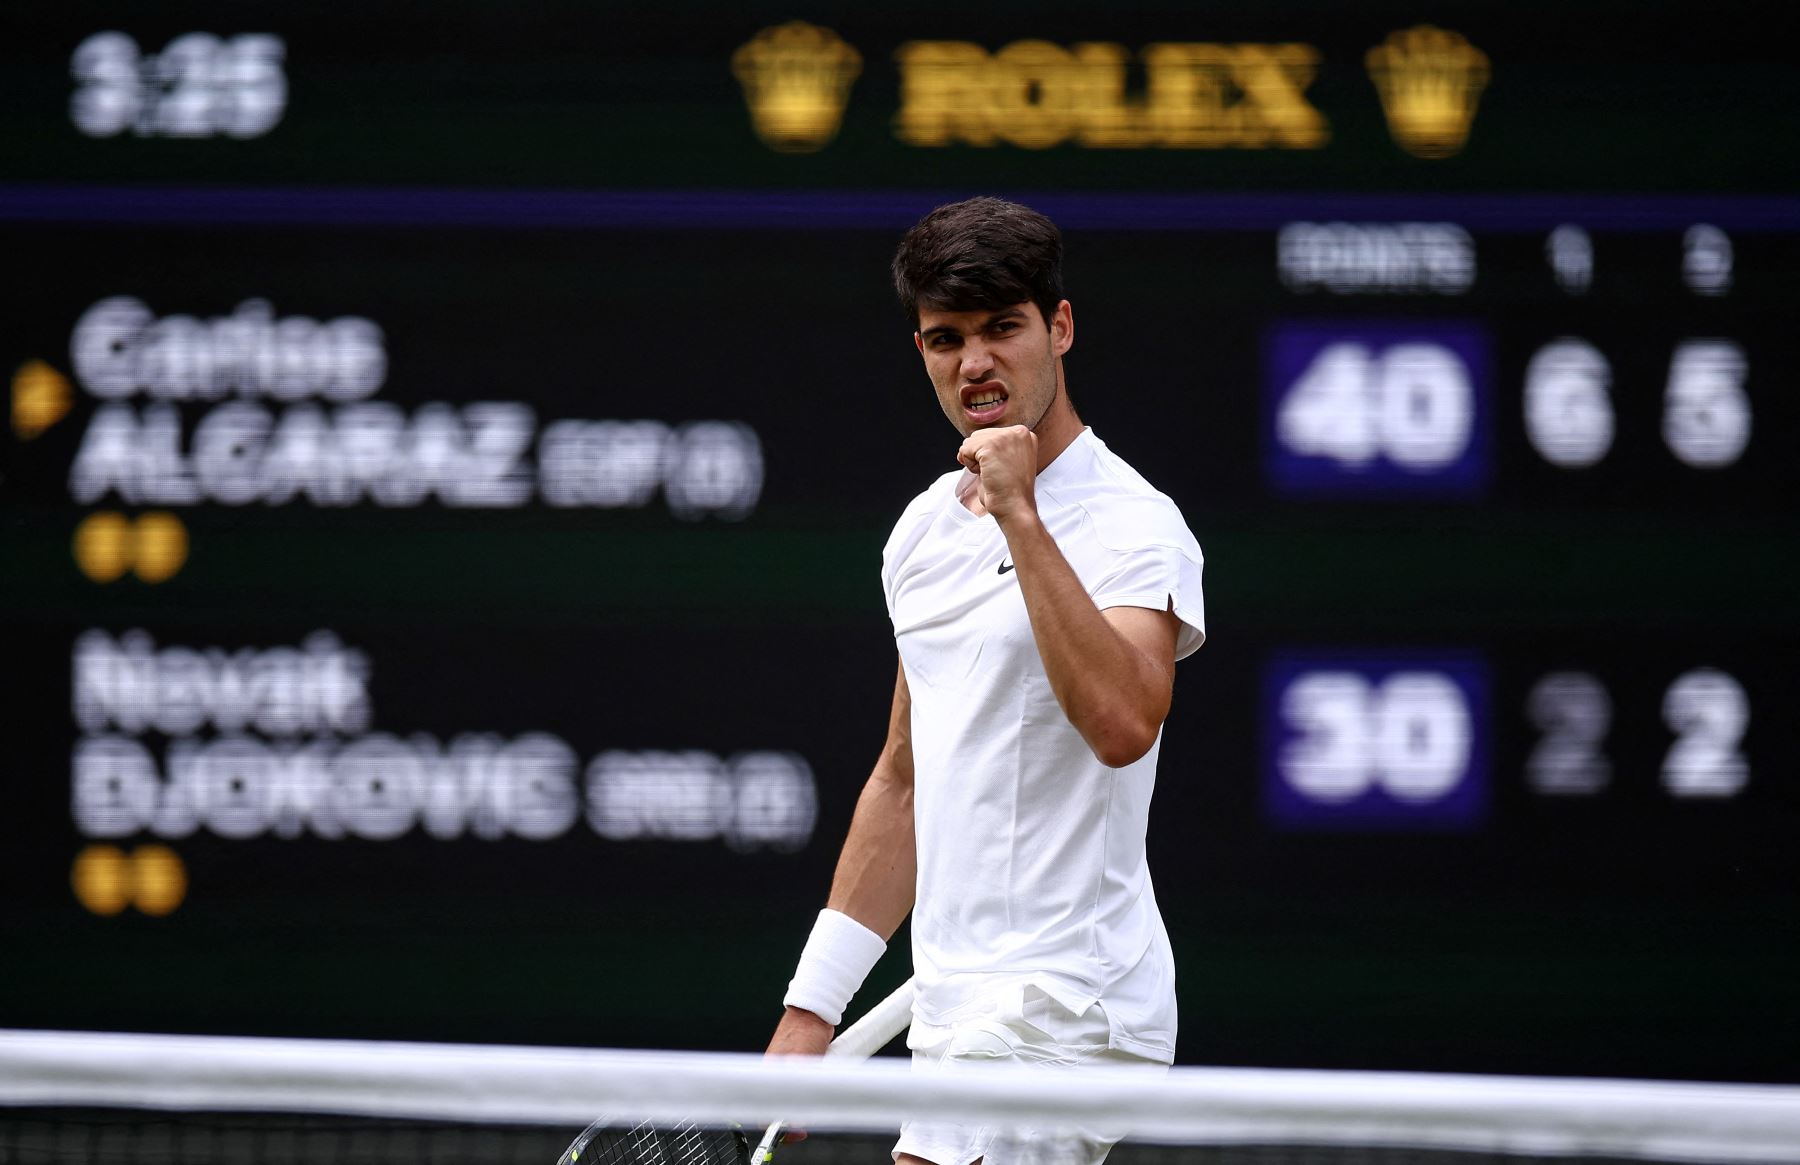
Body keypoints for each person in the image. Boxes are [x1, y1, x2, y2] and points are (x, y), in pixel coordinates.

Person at [766, 197, 1206, 1165]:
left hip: (1065, 1000)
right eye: (945, 339)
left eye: (1003, 329)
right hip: (956, 1003)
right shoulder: (922, 532)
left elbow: (1127, 720)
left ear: (1059, 327)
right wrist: (811, 1009)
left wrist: (1019, 515)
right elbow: (904, 777)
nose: (974, 364)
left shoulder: (1137, 524)